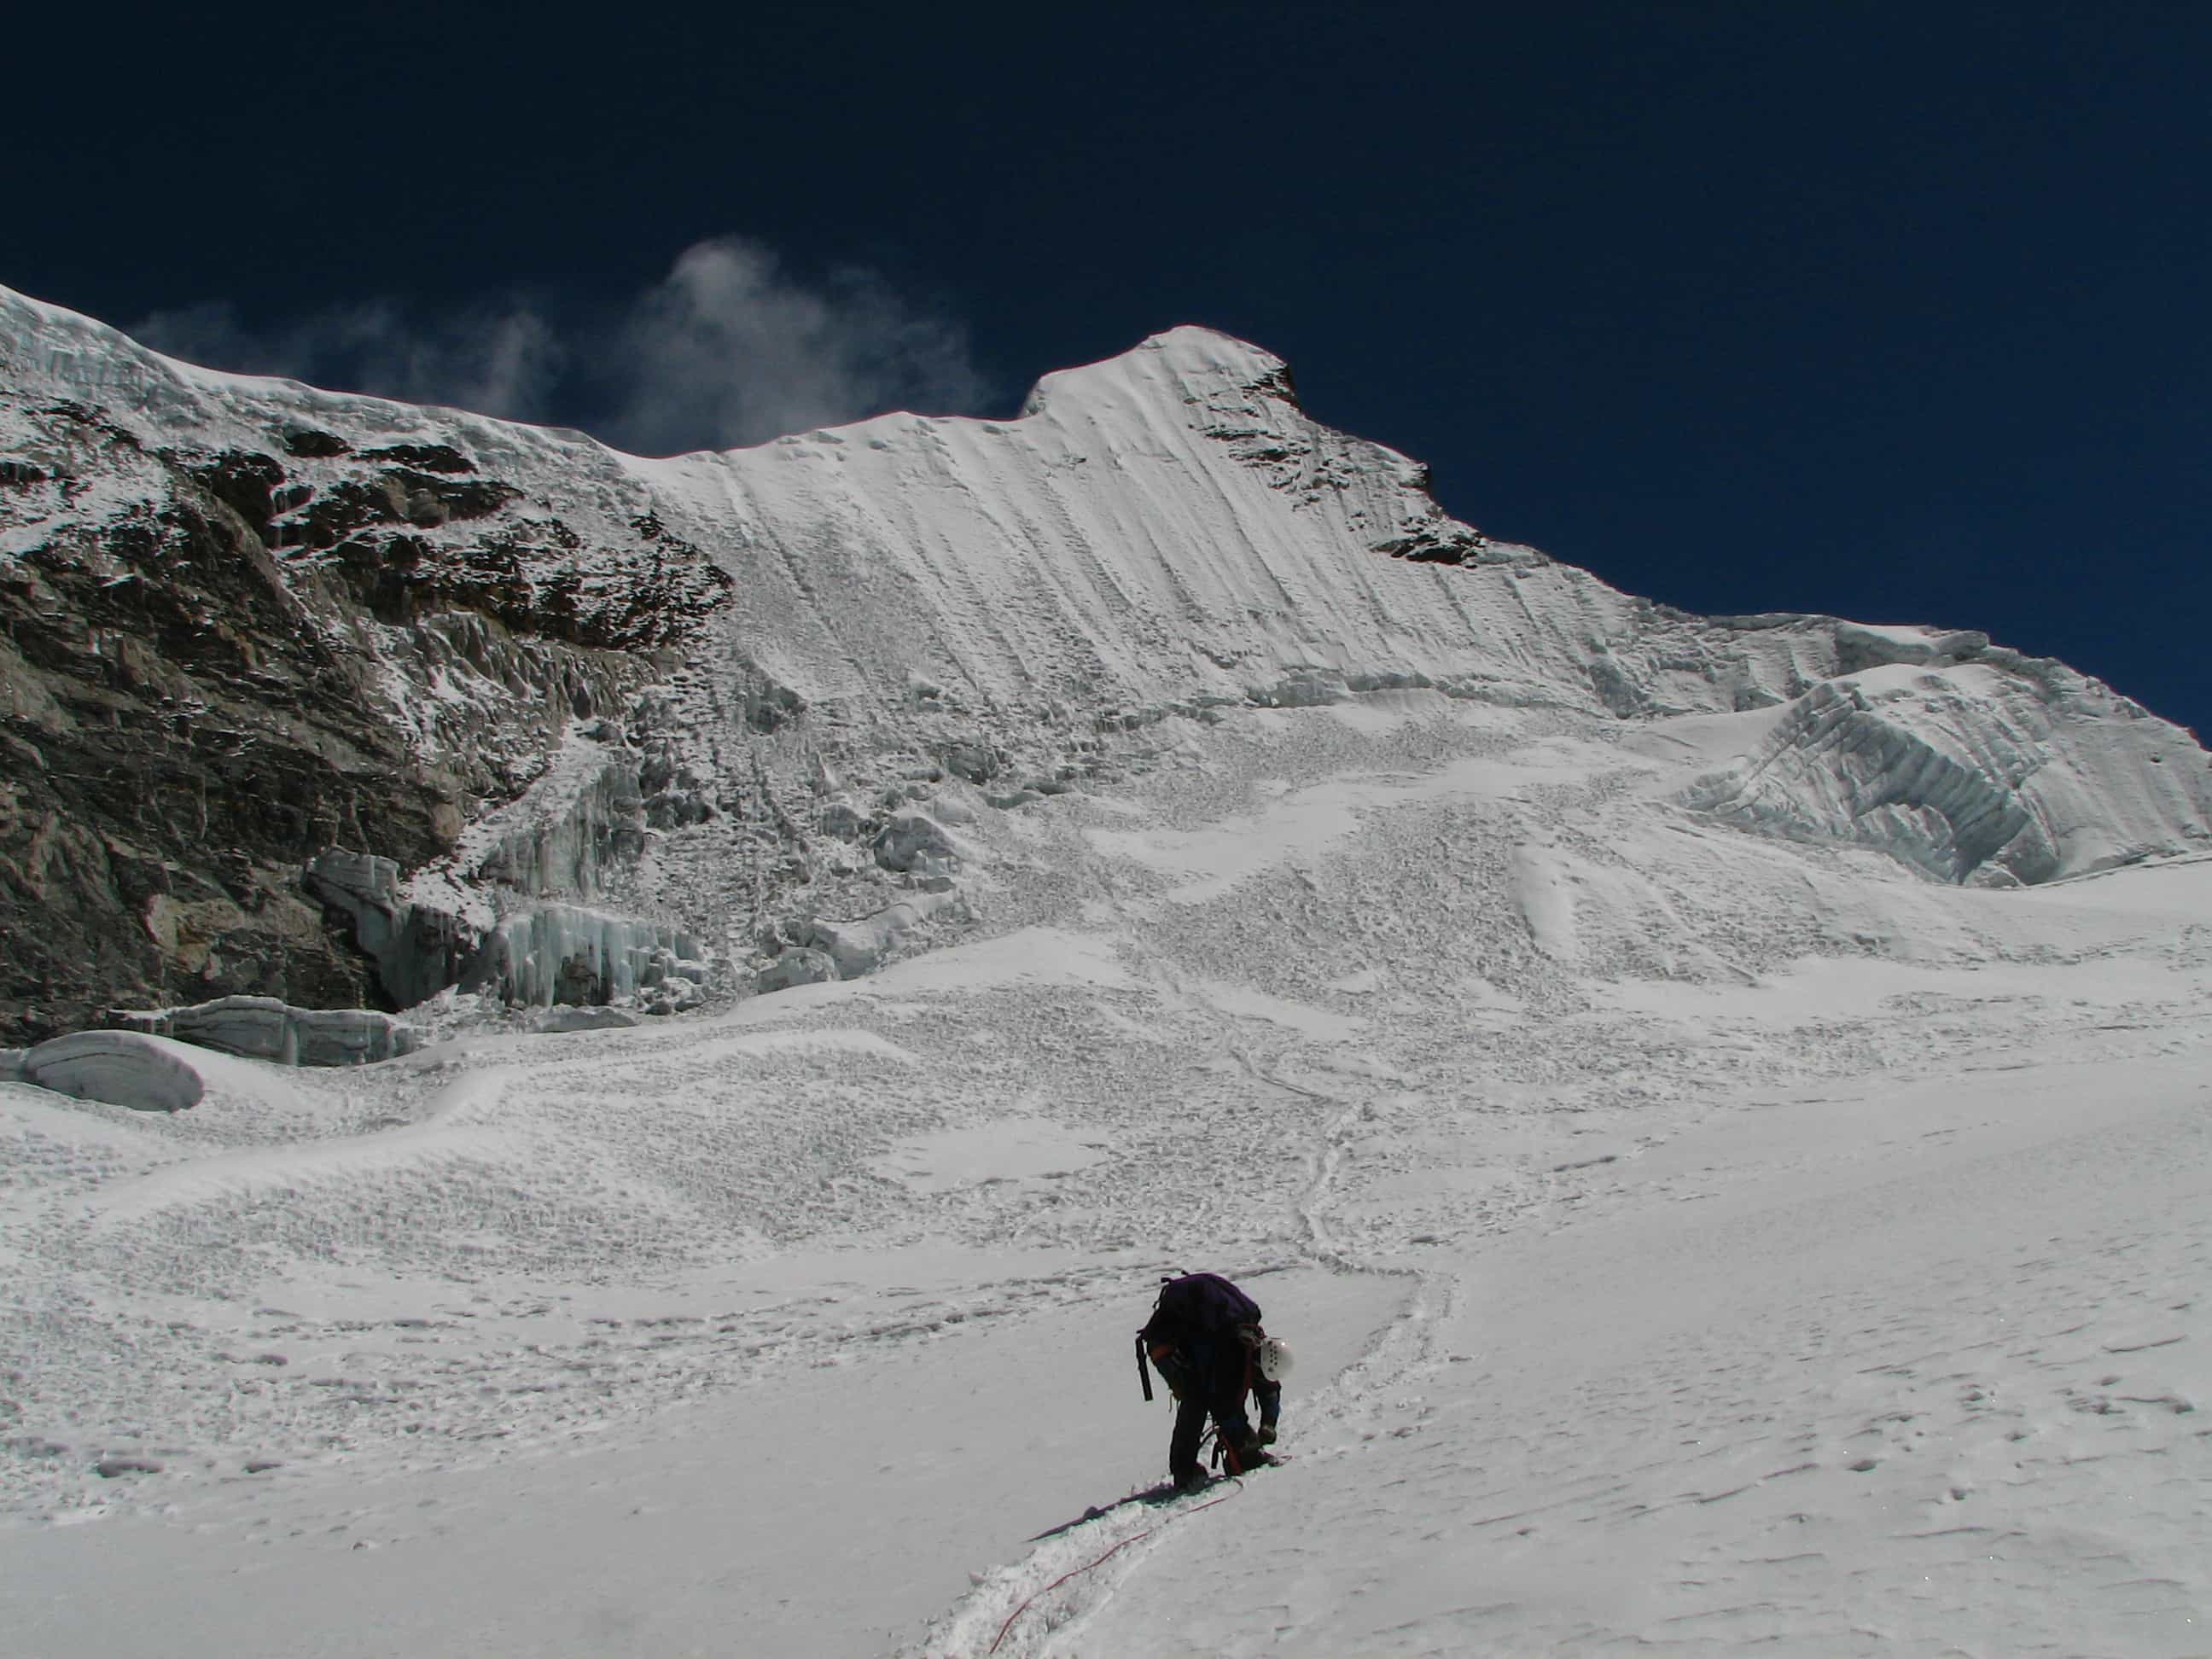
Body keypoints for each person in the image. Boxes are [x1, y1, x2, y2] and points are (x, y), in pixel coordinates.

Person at [1136, 1272, 1293, 1490]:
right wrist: (1246, 1445)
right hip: (1166, 1346)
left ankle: (1234, 1457)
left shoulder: (1255, 1348)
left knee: (1208, 1394)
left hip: (1197, 1340)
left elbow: (1269, 1389)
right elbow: (1223, 1404)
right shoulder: (1231, 1355)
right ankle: (1185, 1472)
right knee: (1196, 1398)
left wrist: (1269, 1425)